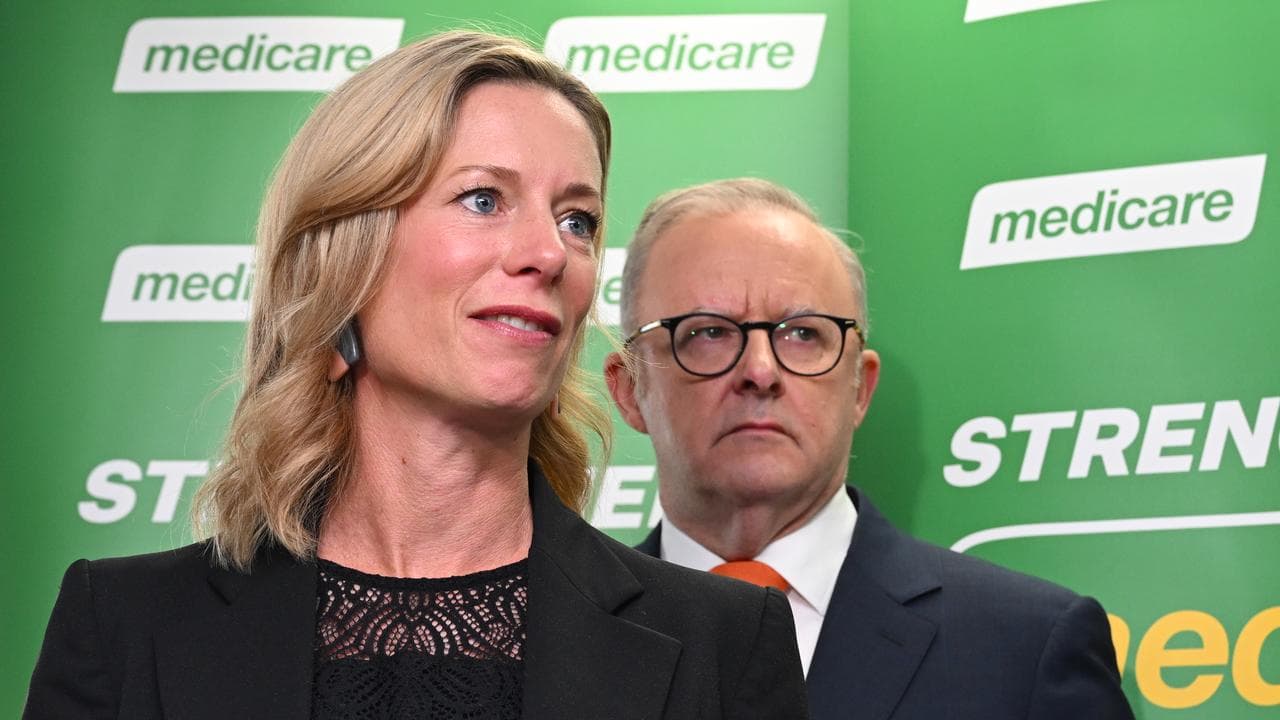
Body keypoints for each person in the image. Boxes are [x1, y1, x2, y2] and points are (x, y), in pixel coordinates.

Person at [24, 34, 807, 720]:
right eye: (482, 199)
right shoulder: (123, 626)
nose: (546, 252)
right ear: (347, 254)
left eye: (579, 220)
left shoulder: (726, 644)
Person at [605, 178, 1134, 719]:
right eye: (708, 332)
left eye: (804, 334)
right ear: (629, 389)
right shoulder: (555, 642)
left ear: (859, 387)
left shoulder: (1026, 651)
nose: (760, 371)